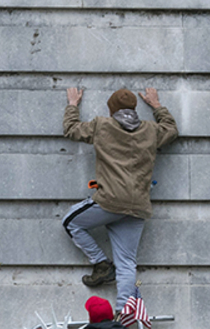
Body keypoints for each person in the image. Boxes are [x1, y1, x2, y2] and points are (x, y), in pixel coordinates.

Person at [62, 86, 178, 311]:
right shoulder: (151, 130)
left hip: (109, 201)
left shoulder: (101, 126)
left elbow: (71, 129)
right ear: (135, 108)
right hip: (138, 206)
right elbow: (171, 129)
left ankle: (101, 264)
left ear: (110, 109)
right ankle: (124, 316)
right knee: (127, 264)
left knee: (70, 222)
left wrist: (72, 105)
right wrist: (156, 105)